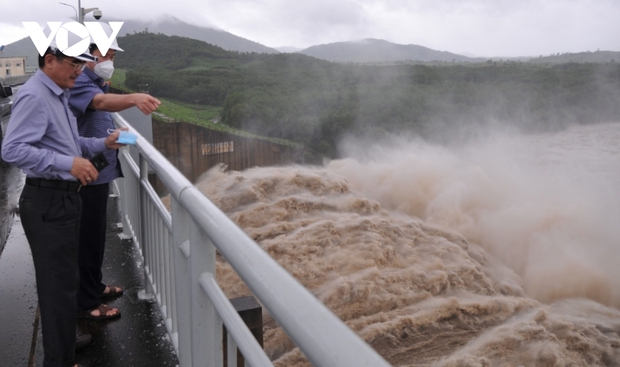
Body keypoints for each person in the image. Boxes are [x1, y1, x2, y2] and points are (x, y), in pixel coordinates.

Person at [1, 44, 125, 367]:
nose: (80, 70)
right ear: (50, 60)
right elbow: (12, 149)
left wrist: (103, 143)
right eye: (74, 63)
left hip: (62, 199)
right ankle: (59, 359)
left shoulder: (57, 93)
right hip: (47, 200)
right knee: (56, 288)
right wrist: (67, 164)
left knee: (64, 282)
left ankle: (64, 346)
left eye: (83, 65)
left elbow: (74, 143)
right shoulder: (34, 96)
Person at [68, 28, 161, 320]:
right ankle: (88, 303)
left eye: (112, 54)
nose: (110, 58)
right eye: (106, 53)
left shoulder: (97, 81)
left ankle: (95, 286)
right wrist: (135, 98)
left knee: (95, 238)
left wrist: (124, 138)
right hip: (88, 173)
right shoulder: (82, 81)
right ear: (89, 53)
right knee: (87, 240)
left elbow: (101, 121)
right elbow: (100, 105)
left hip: (100, 171)